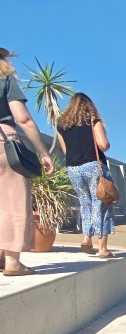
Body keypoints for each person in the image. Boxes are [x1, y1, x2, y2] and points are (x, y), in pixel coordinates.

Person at [0, 48, 55, 276]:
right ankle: (12, 262)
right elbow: (23, 119)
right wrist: (44, 152)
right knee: (13, 201)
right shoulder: (5, 80)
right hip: (4, 143)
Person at [55, 93, 116, 259]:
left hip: (73, 169)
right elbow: (103, 145)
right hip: (93, 166)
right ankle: (102, 249)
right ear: (89, 106)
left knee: (85, 203)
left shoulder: (61, 126)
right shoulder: (93, 121)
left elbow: (66, 151)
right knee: (101, 203)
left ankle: (86, 238)